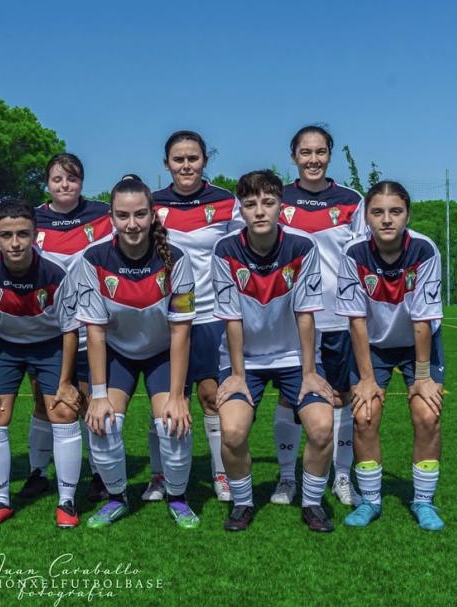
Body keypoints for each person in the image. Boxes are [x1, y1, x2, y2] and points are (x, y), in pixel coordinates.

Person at [212, 170, 335, 532]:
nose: (260, 211)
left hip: (295, 358)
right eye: (250, 204)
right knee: (232, 433)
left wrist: (310, 372)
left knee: (322, 427)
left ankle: (312, 503)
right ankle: (243, 502)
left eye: (268, 202)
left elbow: (306, 312)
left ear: (281, 205)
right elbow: (231, 318)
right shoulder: (227, 249)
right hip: (244, 361)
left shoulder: (302, 246)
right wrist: (236, 375)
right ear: (241, 209)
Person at [77, 178, 199, 529]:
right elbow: (95, 331)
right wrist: (98, 396)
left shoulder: (177, 259)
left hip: (163, 353)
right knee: (103, 422)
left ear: (153, 215)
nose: (132, 224)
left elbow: (181, 331)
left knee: (172, 422)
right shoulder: (94, 259)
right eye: (123, 215)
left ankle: (177, 497)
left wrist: (177, 396)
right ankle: (116, 498)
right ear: (111, 218)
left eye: (140, 214)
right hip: (118, 354)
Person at [0, 200, 82, 527]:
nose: (15, 243)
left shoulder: (56, 271)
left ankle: (67, 501)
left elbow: (71, 329)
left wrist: (66, 382)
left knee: (64, 409)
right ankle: (1, 500)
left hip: (49, 343)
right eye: (7, 235)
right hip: (6, 345)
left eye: (22, 234)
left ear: (36, 235)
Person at [335, 181, 445, 531]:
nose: (386, 220)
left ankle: (424, 502)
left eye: (395, 212)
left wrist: (424, 377)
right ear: (366, 217)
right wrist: (366, 379)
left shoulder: (425, 250)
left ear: (407, 215)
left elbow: (422, 320)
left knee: (426, 415)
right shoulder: (353, 254)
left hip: (418, 345)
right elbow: (356, 321)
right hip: (373, 346)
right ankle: (370, 501)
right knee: (365, 415)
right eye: (377, 212)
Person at [271, 125, 365, 507]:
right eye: (305, 152)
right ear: (293, 156)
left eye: (320, 152)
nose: (313, 159)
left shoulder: (351, 200)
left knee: (340, 397)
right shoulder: (279, 199)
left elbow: (361, 260)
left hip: (338, 318)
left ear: (330, 155)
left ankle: (341, 477)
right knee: (289, 400)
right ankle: (286, 478)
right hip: (292, 319)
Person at [148, 130, 243, 503]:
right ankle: (161, 475)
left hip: (208, 315)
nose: (186, 165)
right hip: (162, 317)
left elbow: (239, 253)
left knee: (208, 396)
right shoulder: (151, 204)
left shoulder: (226, 202)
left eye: (193, 158)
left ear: (205, 161)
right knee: (165, 398)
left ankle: (222, 474)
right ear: (166, 164)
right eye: (178, 159)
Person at [20, 153, 114, 503]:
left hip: (90, 323)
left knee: (90, 397)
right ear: (47, 183)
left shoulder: (102, 215)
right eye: (57, 179)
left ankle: (99, 473)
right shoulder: (35, 219)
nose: (64, 185)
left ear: (81, 183)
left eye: (71, 179)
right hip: (46, 326)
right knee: (44, 401)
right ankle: (37, 471)